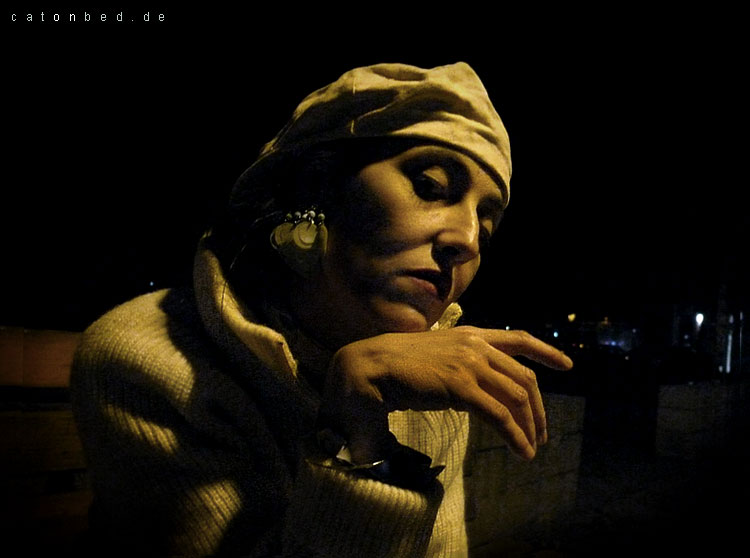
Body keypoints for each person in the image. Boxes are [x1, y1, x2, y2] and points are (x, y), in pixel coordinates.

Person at [71, 62, 573, 557]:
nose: (466, 240)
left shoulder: (438, 364)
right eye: (430, 187)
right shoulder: (146, 363)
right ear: (315, 185)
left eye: (486, 228)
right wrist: (356, 432)